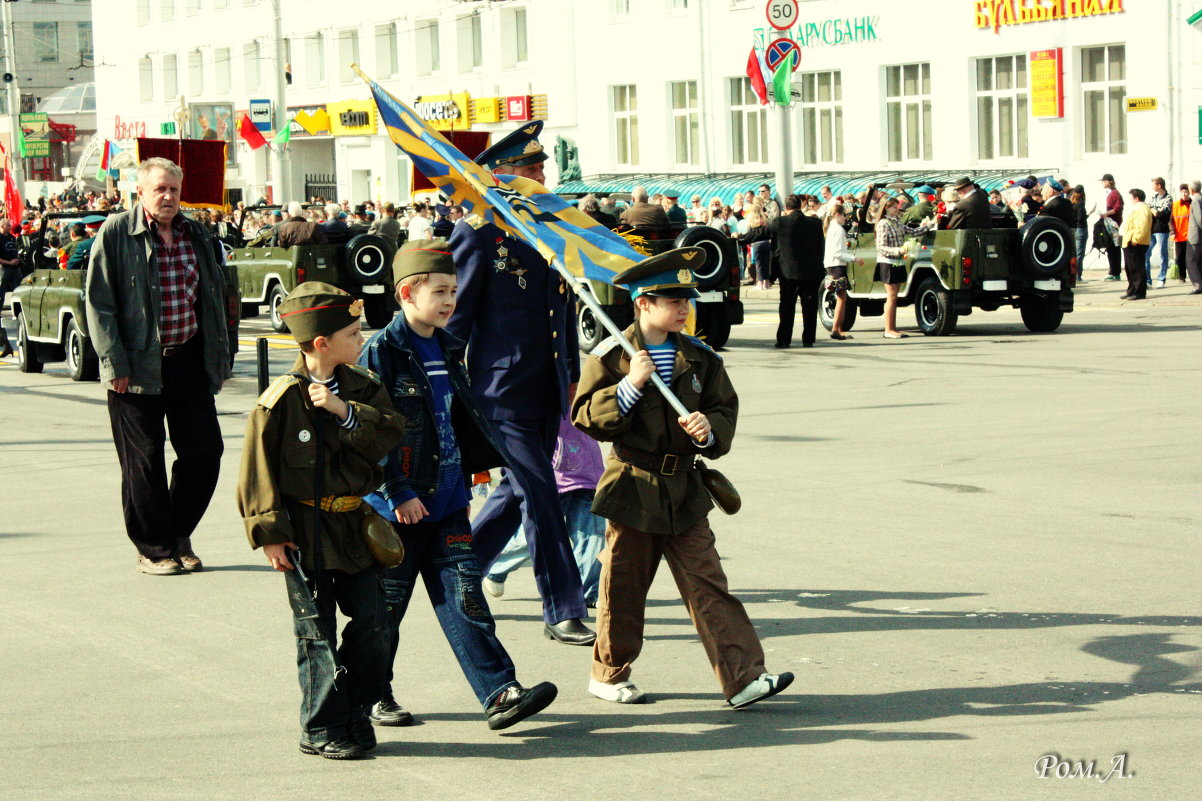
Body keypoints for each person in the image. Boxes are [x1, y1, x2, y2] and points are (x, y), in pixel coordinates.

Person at [572, 247, 794, 708]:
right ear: (642, 303)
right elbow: (586, 417)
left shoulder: (700, 357)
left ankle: (743, 678)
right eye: (671, 300)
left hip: (685, 489)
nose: (683, 308)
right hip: (633, 485)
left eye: (686, 299)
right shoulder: (614, 355)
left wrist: (708, 429)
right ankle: (608, 673)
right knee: (625, 586)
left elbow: (723, 409)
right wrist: (630, 386)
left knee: (708, 583)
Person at [360, 238, 558, 733]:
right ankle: (370, 693)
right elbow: (371, 433)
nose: (451, 300)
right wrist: (397, 492)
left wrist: (474, 468)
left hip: (447, 502)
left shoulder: (450, 346)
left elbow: (453, 418)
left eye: (454, 289)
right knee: (385, 613)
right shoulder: (381, 352)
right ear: (407, 293)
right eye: (441, 291)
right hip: (398, 511)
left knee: (467, 598)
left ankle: (500, 692)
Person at [237, 282, 403, 759]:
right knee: (316, 633)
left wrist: (346, 412)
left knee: (375, 623)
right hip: (304, 531)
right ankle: (322, 726)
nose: (363, 337)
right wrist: (271, 536)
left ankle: (352, 709)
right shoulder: (281, 399)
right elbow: (257, 469)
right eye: (353, 332)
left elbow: (390, 434)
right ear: (322, 343)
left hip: (354, 526)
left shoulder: (363, 388)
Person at [447, 120, 594, 646]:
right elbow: (456, 319)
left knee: (513, 492)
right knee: (540, 492)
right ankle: (563, 609)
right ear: (501, 174)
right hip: (499, 390)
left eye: (541, 168)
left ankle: (462, 572)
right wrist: (443, 383)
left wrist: (571, 376)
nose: (540, 176)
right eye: (530, 168)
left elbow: (561, 313)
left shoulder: (545, 228)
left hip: (545, 385)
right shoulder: (477, 232)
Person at [85, 157, 232, 575]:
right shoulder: (115, 234)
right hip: (136, 367)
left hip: (188, 360)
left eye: (173, 189)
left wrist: (218, 359)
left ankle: (178, 533)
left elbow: (215, 301)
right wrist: (114, 363)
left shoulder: (196, 233)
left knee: (205, 451)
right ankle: (154, 548)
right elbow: (99, 304)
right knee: (144, 461)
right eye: (159, 189)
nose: (168, 197)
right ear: (141, 193)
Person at [483, 415, 607, 608]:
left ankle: (588, 591)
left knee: (594, 537)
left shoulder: (585, 389)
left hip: (590, 475)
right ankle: (495, 567)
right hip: (557, 476)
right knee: (538, 536)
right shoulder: (548, 390)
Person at [740, 194, 825, 348]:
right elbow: (821, 248)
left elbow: (760, 233)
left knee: (786, 307)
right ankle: (808, 339)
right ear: (800, 206)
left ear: (786, 208)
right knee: (810, 308)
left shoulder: (780, 222)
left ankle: (784, 340)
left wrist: (740, 238)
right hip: (811, 273)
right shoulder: (815, 223)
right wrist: (819, 267)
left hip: (788, 273)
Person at [823, 203, 858, 340]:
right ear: (837, 214)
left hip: (832, 264)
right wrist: (854, 258)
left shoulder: (832, 228)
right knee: (842, 297)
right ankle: (836, 328)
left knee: (841, 296)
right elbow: (838, 252)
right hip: (837, 265)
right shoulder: (838, 229)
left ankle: (837, 328)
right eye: (844, 215)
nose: (846, 218)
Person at [875, 196, 908, 338]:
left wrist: (930, 224)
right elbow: (881, 246)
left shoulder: (897, 222)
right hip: (887, 261)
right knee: (891, 296)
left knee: (895, 297)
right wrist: (897, 250)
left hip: (898, 261)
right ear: (886, 208)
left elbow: (911, 231)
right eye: (894, 207)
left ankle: (893, 328)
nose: (897, 209)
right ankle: (888, 329)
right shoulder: (883, 223)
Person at [1119, 188, 1152, 301]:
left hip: (1135, 242)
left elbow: (1142, 226)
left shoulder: (1142, 208)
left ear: (1136, 198)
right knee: (1130, 267)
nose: (1130, 200)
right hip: (1128, 240)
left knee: (1137, 268)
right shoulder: (1136, 208)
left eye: (1131, 197)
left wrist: (1136, 238)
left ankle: (1139, 292)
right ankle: (1132, 290)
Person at [1146, 178, 1172, 288]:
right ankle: (1147, 280)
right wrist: (1155, 210)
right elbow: (1149, 209)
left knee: (1163, 254)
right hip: (1152, 229)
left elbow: (1162, 214)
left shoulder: (1168, 198)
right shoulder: (1153, 197)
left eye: (1153, 185)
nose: (1152, 187)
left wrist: (1155, 210)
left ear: (1159, 185)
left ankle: (1161, 278)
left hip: (1162, 230)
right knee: (1146, 254)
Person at [0, 216, 20, 357]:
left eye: (10, 225)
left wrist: (17, 260)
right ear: (2, 226)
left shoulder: (12, 238)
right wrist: (8, 263)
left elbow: (16, 251)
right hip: (4, 268)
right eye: (7, 225)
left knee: (19, 291)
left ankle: (20, 310)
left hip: (15, 268)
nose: (9, 227)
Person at [1098, 173, 1124, 281]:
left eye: (1104, 181)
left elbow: (1118, 208)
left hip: (1113, 224)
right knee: (1111, 248)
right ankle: (1113, 270)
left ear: (1108, 181)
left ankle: (1115, 271)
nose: (1102, 183)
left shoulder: (1115, 194)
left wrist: (1106, 214)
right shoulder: (1111, 193)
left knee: (1114, 248)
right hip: (1110, 223)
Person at [1171, 184, 1191, 286]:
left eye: (1186, 191)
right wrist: (1172, 231)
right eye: (1182, 192)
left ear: (1189, 192)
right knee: (1180, 258)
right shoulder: (1175, 205)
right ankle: (1182, 276)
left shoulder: (1193, 204)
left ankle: (1195, 276)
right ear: (1180, 193)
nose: (1184, 194)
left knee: (1193, 258)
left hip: (1192, 236)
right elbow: (1170, 220)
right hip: (1179, 236)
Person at [1070, 187, 1089, 281]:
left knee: (1074, 254)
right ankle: (1078, 276)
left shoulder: (1072, 203)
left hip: (1073, 229)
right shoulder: (1081, 204)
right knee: (1080, 254)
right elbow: (1081, 218)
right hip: (1081, 229)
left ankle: (1072, 274)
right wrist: (1088, 215)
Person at [1189, 181, 1202, 294]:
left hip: (1195, 236)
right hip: (1197, 236)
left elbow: (1199, 219)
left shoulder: (1196, 201)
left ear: (1191, 190)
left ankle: (1198, 285)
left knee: (1191, 261)